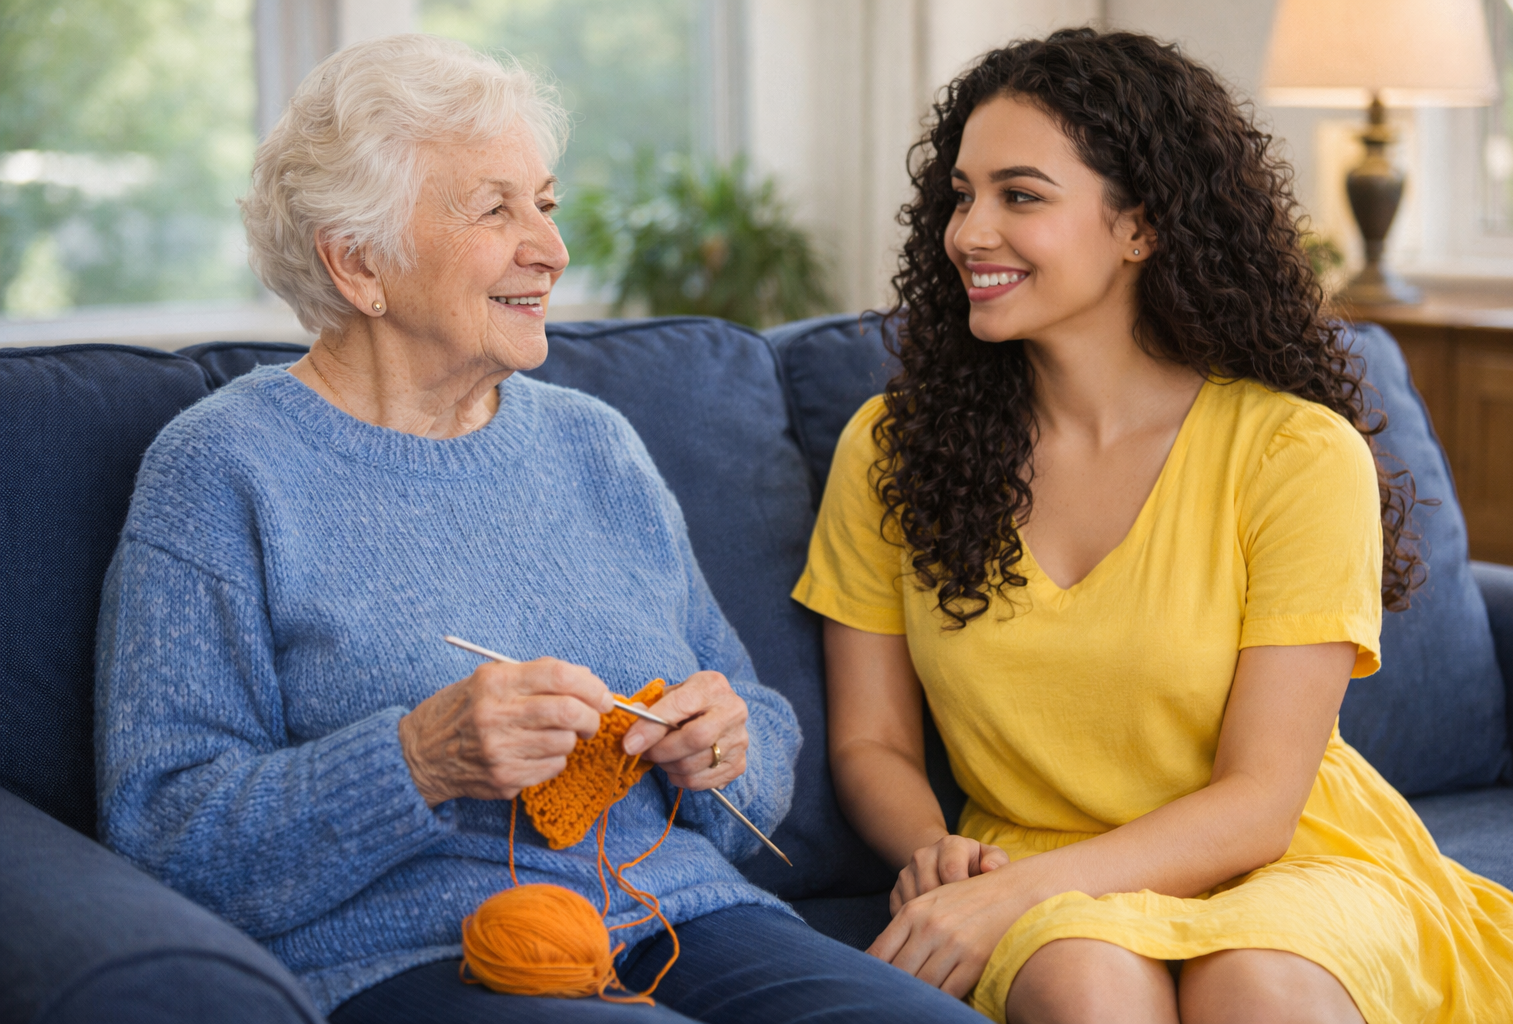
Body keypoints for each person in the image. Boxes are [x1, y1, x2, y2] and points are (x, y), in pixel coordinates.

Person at [94, 34, 988, 1024]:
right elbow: (162, 832)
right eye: (495, 210)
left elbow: (757, 738)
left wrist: (725, 744)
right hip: (419, 954)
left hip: (687, 915)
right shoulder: (224, 468)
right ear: (358, 263)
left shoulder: (594, 444)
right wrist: (418, 758)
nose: (553, 250)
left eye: (546, 205)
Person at [794, 28, 1513, 1024]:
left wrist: (1008, 896)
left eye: (1021, 196)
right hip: (1031, 855)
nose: (969, 233)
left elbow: (1261, 801)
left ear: (1140, 226)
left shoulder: (1294, 453)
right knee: (1087, 986)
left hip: (1290, 856)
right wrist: (938, 853)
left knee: (1260, 988)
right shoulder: (892, 448)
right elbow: (873, 741)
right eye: (961, 195)